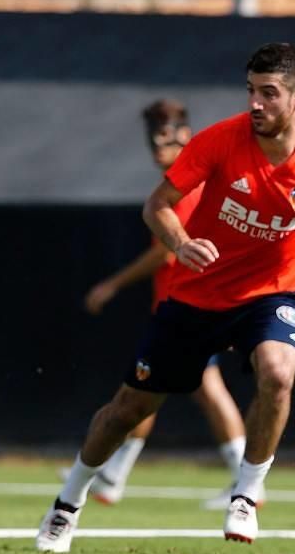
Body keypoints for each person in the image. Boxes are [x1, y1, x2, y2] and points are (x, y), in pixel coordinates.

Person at [37, 43, 295, 553]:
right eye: (251, 91)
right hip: (196, 299)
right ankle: (69, 501)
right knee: (128, 409)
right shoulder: (220, 142)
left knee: (277, 372)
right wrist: (181, 243)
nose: (255, 103)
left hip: (271, 293)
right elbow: (157, 206)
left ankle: (246, 495)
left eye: (268, 94)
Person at [76, 99, 246, 510]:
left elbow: (167, 253)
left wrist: (112, 285)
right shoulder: (184, 176)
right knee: (152, 387)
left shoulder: (188, 181)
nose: (157, 148)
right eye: (153, 139)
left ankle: (246, 484)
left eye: (165, 137)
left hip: (190, 305)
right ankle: (115, 474)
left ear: (183, 135)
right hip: (182, 303)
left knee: (170, 386)